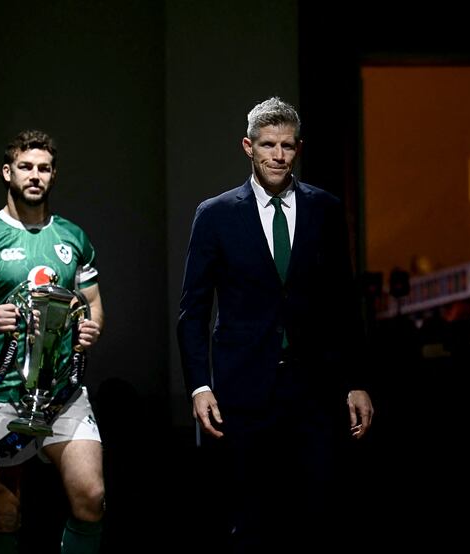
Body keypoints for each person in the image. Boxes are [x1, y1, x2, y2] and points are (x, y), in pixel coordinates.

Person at [177, 97, 374, 552]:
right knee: (248, 520)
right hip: (243, 390)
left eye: (287, 145)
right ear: (248, 146)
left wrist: (356, 381)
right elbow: (193, 308)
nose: (278, 155)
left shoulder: (325, 209)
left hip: (314, 388)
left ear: (298, 148)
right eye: (268, 144)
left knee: (317, 515)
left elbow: (344, 303)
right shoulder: (217, 214)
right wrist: (199, 386)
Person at [0, 130, 105, 554]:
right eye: (26, 167)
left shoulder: (73, 237)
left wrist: (91, 327)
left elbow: (94, 305)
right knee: (4, 517)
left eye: (43, 169)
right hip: (4, 393)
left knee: (92, 497)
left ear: (53, 175)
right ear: (7, 172)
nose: (35, 176)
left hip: (64, 392)